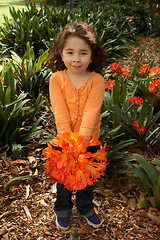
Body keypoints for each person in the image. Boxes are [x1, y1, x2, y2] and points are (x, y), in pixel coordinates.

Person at [48, 21, 106, 231]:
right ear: (61, 55)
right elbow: (60, 112)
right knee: (64, 181)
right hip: (64, 145)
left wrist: (82, 142)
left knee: (87, 180)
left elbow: (92, 111)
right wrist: (67, 143)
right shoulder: (56, 79)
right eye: (70, 52)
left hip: (90, 141)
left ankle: (85, 206)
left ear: (92, 55)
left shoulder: (96, 80)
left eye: (83, 53)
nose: (76, 59)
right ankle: (62, 208)